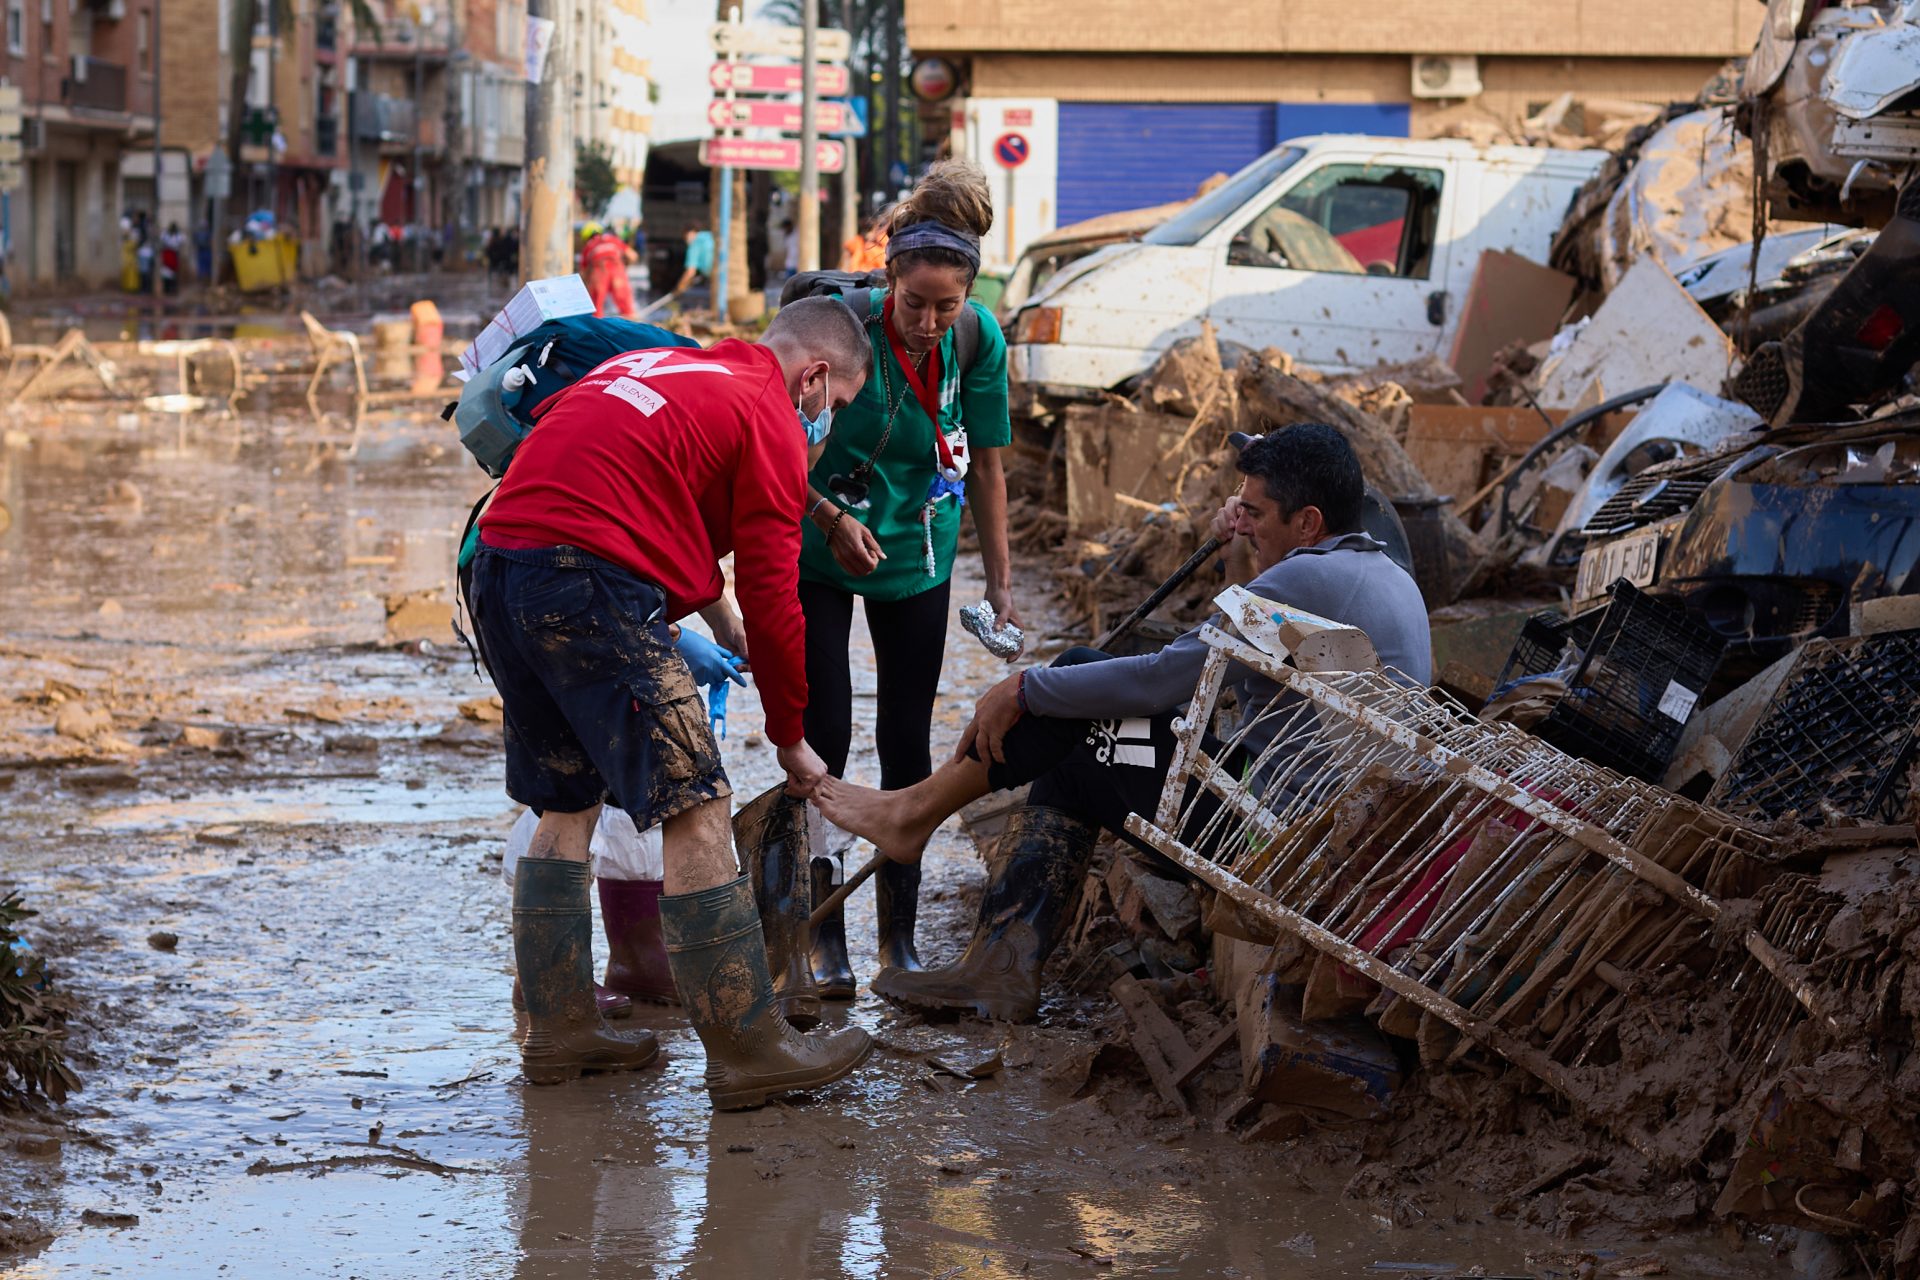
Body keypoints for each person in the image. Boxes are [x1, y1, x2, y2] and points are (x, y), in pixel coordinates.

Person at [816, 424, 1434, 1022]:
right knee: (1078, 712)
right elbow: (1247, 637)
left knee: (1076, 698)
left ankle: (924, 833)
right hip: (1310, 820)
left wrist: (1025, 686)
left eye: (1255, 512)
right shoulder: (1379, 575)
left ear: (1308, 522)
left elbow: (1163, 678)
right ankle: (972, 917)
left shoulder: (1307, 577)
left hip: (1270, 836)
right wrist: (1241, 548)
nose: (1240, 519)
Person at [467, 296, 875, 1108]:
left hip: (500, 568)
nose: (824, 421)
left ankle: (559, 1028)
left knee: (568, 801)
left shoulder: (665, 365)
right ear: (815, 377)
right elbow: (775, 592)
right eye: (834, 406)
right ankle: (747, 1047)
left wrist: (712, 614)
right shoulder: (769, 414)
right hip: (586, 580)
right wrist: (790, 735)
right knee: (698, 804)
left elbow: (633, 485)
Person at [796, 159, 1021, 1003]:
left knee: (905, 742)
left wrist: (1000, 584)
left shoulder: (978, 341)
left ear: (967, 297)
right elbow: (779, 457)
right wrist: (827, 518)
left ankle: (898, 942)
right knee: (824, 739)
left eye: (946, 306)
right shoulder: (840, 333)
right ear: (887, 279)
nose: (929, 321)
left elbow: (990, 467)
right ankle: (823, 941)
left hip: (919, 554)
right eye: (914, 302)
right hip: (820, 549)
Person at [578, 221, 641, 320]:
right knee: (627, 309)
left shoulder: (589, 246)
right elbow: (633, 256)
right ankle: (633, 328)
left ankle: (597, 330)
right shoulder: (613, 240)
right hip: (617, 271)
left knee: (596, 310)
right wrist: (624, 268)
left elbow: (583, 273)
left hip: (599, 273)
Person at [674, 225, 716, 298]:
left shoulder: (694, 244)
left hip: (718, 277)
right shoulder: (710, 235)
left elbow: (690, 272)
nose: (686, 241)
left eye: (685, 238)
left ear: (690, 233)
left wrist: (679, 288)